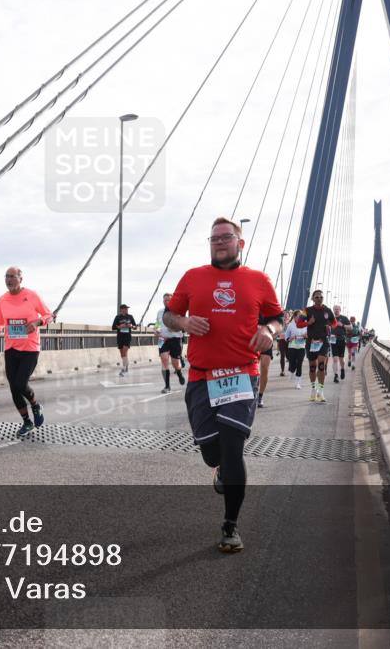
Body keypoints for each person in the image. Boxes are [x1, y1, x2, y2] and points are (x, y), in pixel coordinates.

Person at [163, 217, 282, 553]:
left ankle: (231, 524)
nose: (218, 242)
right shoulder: (193, 277)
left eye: (226, 237)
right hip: (201, 376)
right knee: (211, 452)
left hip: (242, 374)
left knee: (232, 449)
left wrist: (269, 331)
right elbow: (169, 316)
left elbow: (277, 316)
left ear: (240, 243)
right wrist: (184, 321)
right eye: (213, 238)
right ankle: (219, 469)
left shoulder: (258, 280)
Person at [0, 267, 52, 437]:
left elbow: (49, 315)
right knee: (14, 388)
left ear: (21, 278)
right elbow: (0, 323)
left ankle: (36, 405)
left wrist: (36, 323)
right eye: (6, 276)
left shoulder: (32, 295)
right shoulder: (2, 300)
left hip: (30, 348)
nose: (9, 279)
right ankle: (27, 422)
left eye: (12, 276)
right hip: (11, 347)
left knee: (20, 384)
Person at [296, 290, 336, 402]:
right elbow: (298, 324)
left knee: (321, 365)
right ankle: (313, 389)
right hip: (311, 342)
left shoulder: (327, 310)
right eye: (317, 297)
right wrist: (308, 323)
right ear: (313, 299)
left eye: (321, 297)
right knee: (312, 367)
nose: (319, 299)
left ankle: (321, 391)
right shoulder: (307, 310)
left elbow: (334, 322)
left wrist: (330, 326)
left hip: (323, 341)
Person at [155, 293, 186, 394]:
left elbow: (184, 325)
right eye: (165, 300)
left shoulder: (178, 311)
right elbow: (157, 324)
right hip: (162, 339)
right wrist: (156, 330)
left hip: (175, 339)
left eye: (169, 300)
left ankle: (179, 373)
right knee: (164, 360)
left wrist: (175, 327)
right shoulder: (160, 312)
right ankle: (167, 386)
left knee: (175, 363)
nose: (167, 301)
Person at [111, 304, 138, 376]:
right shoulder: (118, 317)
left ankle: (123, 368)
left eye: (127, 308)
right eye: (125, 308)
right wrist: (120, 326)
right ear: (121, 309)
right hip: (120, 336)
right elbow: (113, 327)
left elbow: (135, 327)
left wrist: (131, 326)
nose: (126, 310)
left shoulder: (130, 317)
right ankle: (126, 365)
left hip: (127, 336)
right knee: (122, 353)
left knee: (125, 350)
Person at [284, 311, 307, 389]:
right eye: (299, 316)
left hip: (301, 346)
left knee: (299, 363)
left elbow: (308, 335)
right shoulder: (290, 325)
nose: (300, 317)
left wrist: (306, 336)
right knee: (292, 363)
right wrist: (290, 338)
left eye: (301, 316)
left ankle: (298, 383)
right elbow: (286, 336)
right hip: (292, 347)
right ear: (294, 317)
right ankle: (291, 371)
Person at [330, 305, 350, 383]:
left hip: (341, 339)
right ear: (333, 310)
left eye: (338, 309)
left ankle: (342, 369)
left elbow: (350, 327)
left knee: (341, 359)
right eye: (335, 309)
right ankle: (336, 376)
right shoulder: (331, 318)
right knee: (335, 359)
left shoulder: (344, 318)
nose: (336, 310)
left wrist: (343, 325)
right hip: (333, 339)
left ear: (340, 310)